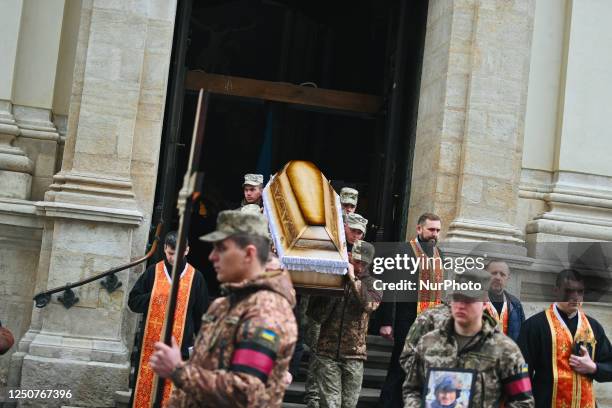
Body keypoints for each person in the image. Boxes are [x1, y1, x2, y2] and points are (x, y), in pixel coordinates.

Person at [149, 210, 298, 407]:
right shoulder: (225, 304)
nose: (212, 257)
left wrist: (178, 370)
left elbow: (244, 392)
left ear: (248, 253)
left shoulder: (266, 312)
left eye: (221, 249)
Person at [403, 268, 534, 407]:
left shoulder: (507, 349)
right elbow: (411, 389)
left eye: (470, 300)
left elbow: (524, 401)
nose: (461, 306)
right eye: (457, 298)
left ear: (484, 303)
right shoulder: (428, 341)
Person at [128, 231, 209, 408]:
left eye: (178, 253)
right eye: (171, 253)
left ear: (187, 250)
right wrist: (155, 295)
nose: (173, 258)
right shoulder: (153, 273)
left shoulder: (196, 278)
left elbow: (202, 317)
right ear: (165, 249)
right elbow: (133, 302)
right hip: (151, 346)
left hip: (181, 347)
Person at [518, 269, 612, 407]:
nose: (575, 297)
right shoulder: (534, 325)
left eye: (580, 292)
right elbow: (520, 372)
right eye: (569, 291)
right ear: (556, 291)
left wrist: (594, 368)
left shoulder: (593, 327)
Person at [378, 212, 444, 408]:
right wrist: (387, 322)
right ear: (419, 229)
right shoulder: (403, 251)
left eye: (438, 230)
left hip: (432, 326)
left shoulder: (440, 253)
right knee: (400, 369)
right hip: (407, 322)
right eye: (431, 229)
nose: (435, 234)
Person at [303, 212, 368, 408]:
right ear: (344, 227)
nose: (356, 235)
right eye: (353, 230)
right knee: (318, 354)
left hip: (350, 331)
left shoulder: (364, 255)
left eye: (360, 233)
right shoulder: (332, 245)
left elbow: (370, 295)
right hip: (324, 312)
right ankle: (312, 397)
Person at [308, 240, 382, 408]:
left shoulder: (373, 283)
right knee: (330, 404)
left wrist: (353, 278)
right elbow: (315, 314)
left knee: (349, 405)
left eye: (365, 264)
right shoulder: (333, 278)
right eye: (357, 262)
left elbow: (370, 305)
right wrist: (334, 282)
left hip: (354, 354)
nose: (360, 267)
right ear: (349, 257)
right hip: (327, 352)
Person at [485, 259, 525, 341]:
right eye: (494, 273)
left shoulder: (515, 304)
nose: (498, 277)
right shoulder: (473, 303)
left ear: (507, 279)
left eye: (502, 274)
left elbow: (523, 337)